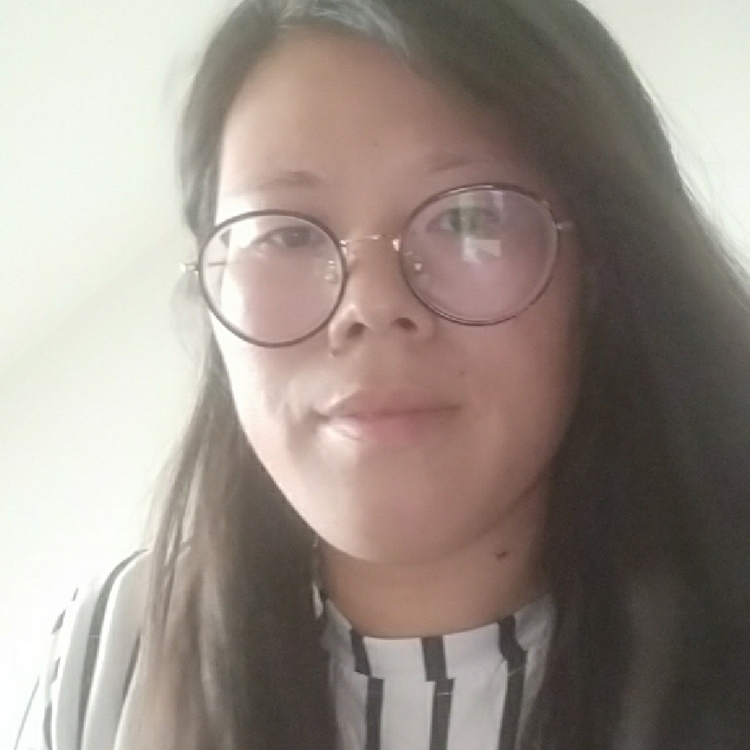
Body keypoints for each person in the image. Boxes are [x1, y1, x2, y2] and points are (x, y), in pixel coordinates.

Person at [16, 0, 750, 749]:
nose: (369, 306)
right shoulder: (115, 653)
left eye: (468, 218)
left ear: (600, 272)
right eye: (287, 235)